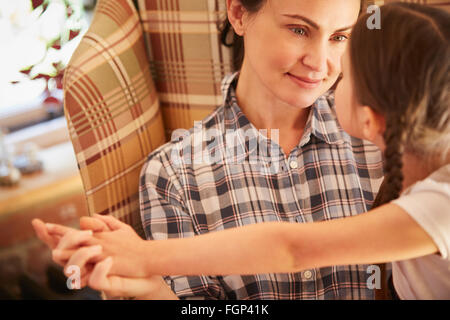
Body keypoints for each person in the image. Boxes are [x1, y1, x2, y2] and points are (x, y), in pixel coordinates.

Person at [33, 0, 386, 300]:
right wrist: (152, 285)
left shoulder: (381, 138)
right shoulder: (175, 174)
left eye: (339, 37)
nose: (320, 63)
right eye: (299, 30)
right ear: (238, 13)